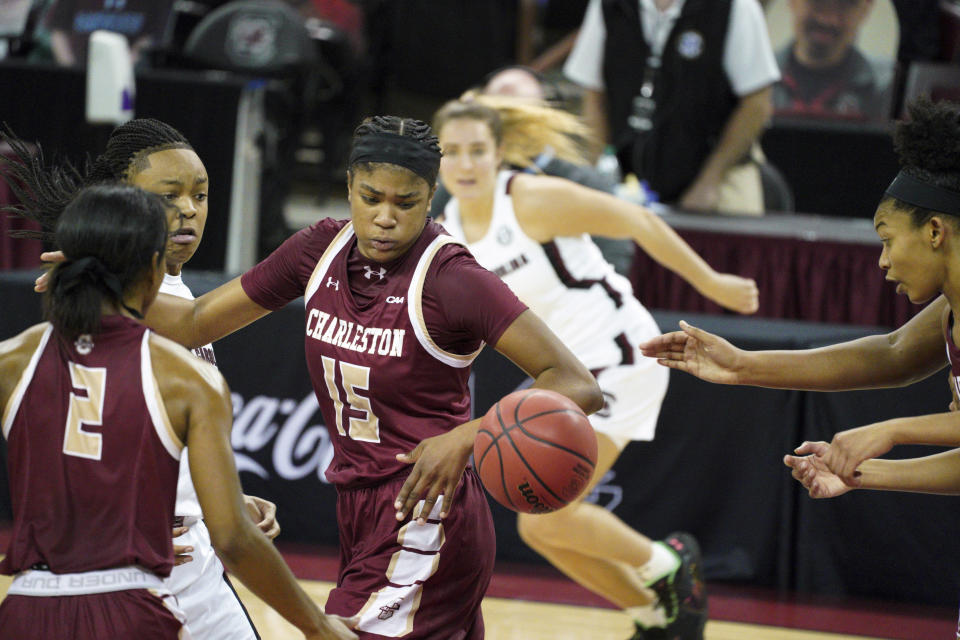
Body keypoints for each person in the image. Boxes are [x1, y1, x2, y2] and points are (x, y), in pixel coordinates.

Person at [70, 115, 603, 639]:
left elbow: (577, 383)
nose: (385, 218)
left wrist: (468, 436)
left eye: (406, 202)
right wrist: (91, 281)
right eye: (371, 198)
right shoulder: (316, 249)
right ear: (348, 187)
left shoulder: (452, 278)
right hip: (358, 510)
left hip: (425, 515)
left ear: (432, 197)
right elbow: (193, 322)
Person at [432, 98, 761, 640]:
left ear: (499, 153)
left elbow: (636, 218)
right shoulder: (447, 234)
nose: (466, 165)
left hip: (620, 352)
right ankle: (659, 616)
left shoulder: (530, 200)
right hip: (564, 374)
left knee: (549, 515)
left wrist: (714, 284)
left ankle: (669, 564)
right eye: (453, 153)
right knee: (539, 530)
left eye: (478, 151)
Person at [637, 97, 960, 605]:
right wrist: (742, 365)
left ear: (935, 232)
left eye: (887, 239)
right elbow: (892, 353)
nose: (881, 260)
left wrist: (892, 429)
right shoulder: (950, 310)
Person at [0, 183, 356, 639]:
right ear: (153, 269)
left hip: (28, 607)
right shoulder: (186, 377)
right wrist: (318, 627)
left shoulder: (13, 361)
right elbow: (233, 539)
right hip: (131, 605)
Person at [1, 117, 277, 640]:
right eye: (168, 195)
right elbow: (79, 439)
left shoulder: (175, 291)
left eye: (200, 194)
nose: (189, 209)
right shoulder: (117, 307)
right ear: (123, 200)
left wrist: (214, 499)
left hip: (193, 563)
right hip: (126, 572)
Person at [563, 0, 779, 215]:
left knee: (729, 237)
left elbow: (757, 105)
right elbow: (594, 94)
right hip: (629, 180)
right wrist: (598, 170)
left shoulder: (736, 7)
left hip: (720, 178)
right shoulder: (608, 5)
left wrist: (710, 181)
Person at [773, 0, 894, 122]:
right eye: (817, 2)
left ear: (866, 9)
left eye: (845, 5)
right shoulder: (757, 82)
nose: (828, 20)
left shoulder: (891, 91)